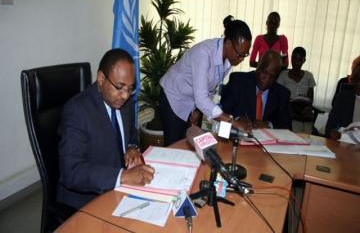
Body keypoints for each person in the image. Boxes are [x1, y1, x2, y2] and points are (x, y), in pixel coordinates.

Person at [57, 49, 155, 209]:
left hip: (119, 188)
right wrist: (122, 176)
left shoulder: (125, 102)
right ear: (101, 78)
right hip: (87, 200)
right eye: (120, 87)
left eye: (130, 89)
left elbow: (131, 133)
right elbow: (71, 171)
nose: (125, 95)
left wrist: (132, 147)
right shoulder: (77, 111)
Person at [160, 15, 252, 146]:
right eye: (239, 54)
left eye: (245, 54)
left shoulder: (229, 60)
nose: (242, 59)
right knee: (175, 145)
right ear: (228, 43)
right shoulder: (203, 54)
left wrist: (198, 109)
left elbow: (208, 87)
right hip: (174, 97)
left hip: (193, 100)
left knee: (193, 145)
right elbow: (202, 98)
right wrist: (231, 121)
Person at [221, 50, 291, 129]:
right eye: (264, 73)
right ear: (258, 66)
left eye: (272, 77)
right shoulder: (238, 81)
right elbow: (223, 111)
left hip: (267, 140)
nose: (266, 79)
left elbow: (287, 125)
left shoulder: (282, 93)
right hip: (239, 136)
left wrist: (268, 125)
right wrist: (237, 119)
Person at [277, 47, 316, 134]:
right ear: (291, 59)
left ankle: (305, 137)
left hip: (303, 109)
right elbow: (279, 95)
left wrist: (305, 106)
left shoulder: (309, 76)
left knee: (306, 117)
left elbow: (310, 98)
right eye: (294, 59)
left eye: (299, 59)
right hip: (288, 108)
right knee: (293, 116)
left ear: (304, 60)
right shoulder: (283, 75)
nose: (296, 62)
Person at [326, 56, 360, 139]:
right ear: (354, 80)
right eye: (358, 79)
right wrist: (334, 134)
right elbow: (329, 129)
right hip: (346, 144)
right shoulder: (343, 98)